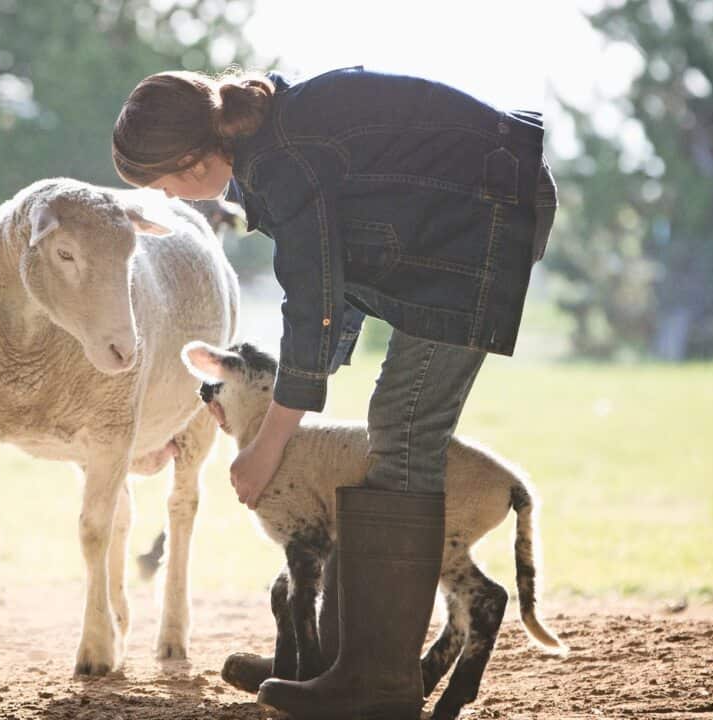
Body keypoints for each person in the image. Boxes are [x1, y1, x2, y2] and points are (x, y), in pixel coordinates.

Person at [112, 66, 555, 720]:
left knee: (404, 428)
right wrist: (312, 374)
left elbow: (315, 302)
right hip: (471, 210)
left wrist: (267, 446)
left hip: (488, 215)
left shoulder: (280, 162)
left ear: (192, 159)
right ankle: (331, 661)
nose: (174, 199)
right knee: (395, 426)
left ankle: (374, 683)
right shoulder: (268, 149)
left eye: (165, 184)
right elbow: (338, 277)